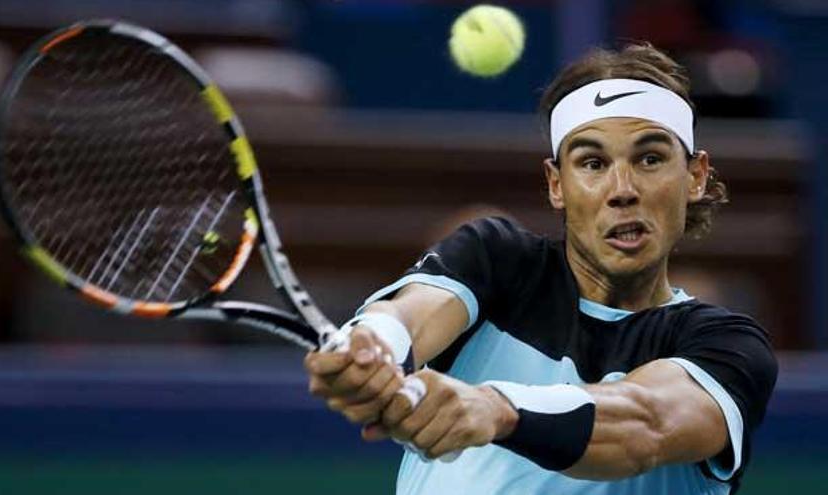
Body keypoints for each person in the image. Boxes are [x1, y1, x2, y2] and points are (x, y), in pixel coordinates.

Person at [304, 43, 777, 495]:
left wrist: (495, 408)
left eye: (650, 159)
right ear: (557, 184)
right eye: (592, 163)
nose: (622, 189)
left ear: (694, 176)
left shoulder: (727, 346)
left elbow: (646, 423)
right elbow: (410, 316)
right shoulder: (497, 261)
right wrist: (375, 346)